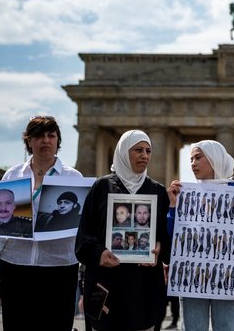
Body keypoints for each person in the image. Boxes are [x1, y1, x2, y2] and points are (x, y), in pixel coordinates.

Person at [75, 129, 171, 330]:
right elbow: (83, 236)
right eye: (138, 150)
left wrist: (159, 247)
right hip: (107, 284)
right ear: (123, 152)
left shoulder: (158, 191)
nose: (144, 155)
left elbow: (165, 238)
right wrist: (98, 253)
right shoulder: (101, 187)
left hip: (144, 288)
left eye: (148, 150)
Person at [0, 116, 83, 331]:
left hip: (59, 266)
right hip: (16, 264)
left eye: (51, 136)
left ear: (58, 141)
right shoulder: (12, 175)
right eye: (39, 136)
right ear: (29, 141)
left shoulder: (74, 177)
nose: (46, 140)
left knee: (56, 324)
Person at [167, 139, 234, 331]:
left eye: (198, 157)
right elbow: (173, 236)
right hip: (192, 277)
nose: (193, 163)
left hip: (229, 277)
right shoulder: (185, 193)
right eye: (191, 158)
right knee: (193, 328)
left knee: (227, 327)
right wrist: (173, 207)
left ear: (214, 159)